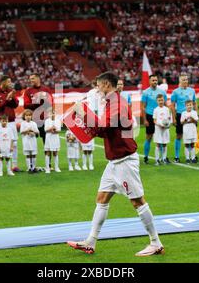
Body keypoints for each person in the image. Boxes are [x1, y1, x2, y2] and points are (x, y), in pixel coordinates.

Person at [67, 71, 164, 257]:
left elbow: (102, 127)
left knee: (137, 201)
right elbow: (103, 131)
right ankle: (91, 241)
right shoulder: (112, 103)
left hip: (124, 161)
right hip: (115, 161)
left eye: (98, 85)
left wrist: (82, 113)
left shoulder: (117, 104)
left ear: (105, 85)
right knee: (101, 199)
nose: (97, 89)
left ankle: (156, 243)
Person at [0, 76, 20, 172]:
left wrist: (12, 98)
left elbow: (15, 105)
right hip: (0, 122)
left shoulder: (10, 90)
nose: (10, 83)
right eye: (8, 82)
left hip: (11, 121)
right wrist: (6, 99)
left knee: (14, 143)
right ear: (3, 82)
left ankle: (14, 165)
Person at [170, 74, 197, 163]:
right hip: (180, 115)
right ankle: (177, 156)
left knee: (192, 136)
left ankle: (192, 156)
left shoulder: (192, 91)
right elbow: (172, 105)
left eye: (186, 79)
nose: (185, 81)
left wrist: (196, 114)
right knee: (179, 135)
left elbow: (194, 103)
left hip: (191, 116)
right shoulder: (175, 92)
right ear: (180, 81)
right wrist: (173, 118)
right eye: (183, 80)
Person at [141, 75, 167, 164]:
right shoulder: (145, 92)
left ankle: (162, 158)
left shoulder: (162, 92)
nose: (155, 82)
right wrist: (144, 120)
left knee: (162, 138)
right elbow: (143, 107)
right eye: (153, 80)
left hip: (161, 117)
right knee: (149, 137)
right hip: (150, 116)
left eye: (156, 80)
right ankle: (146, 157)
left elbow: (166, 105)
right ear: (149, 81)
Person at [23, 73, 53, 144]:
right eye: (30, 79)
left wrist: (44, 100)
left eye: (32, 78)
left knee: (46, 140)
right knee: (31, 139)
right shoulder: (28, 91)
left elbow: (51, 103)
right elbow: (25, 105)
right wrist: (36, 101)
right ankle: (32, 155)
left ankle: (47, 155)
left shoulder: (46, 89)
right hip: (33, 119)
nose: (31, 80)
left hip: (45, 118)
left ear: (38, 78)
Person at [153, 94, 172, 165]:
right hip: (158, 129)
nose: (160, 101)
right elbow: (154, 120)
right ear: (156, 101)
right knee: (158, 144)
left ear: (164, 100)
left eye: (162, 100)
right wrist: (160, 124)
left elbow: (169, 119)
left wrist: (167, 125)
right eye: (159, 100)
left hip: (165, 130)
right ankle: (157, 160)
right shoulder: (156, 110)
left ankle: (164, 159)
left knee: (164, 144)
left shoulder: (167, 109)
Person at [20, 109, 39, 173]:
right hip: (26, 141)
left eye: (29, 115)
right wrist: (27, 130)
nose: (28, 117)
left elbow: (37, 132)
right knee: (28, 154)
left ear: (31, 116)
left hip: (33, 141)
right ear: (24, 116)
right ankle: (29, 168)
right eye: (26, 115)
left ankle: (33, 167)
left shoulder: (34, 123)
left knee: (33, 154)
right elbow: (21, 132)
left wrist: (33, 132)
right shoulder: (23, 123)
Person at [44, 108, 62, 174]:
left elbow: (59, 130)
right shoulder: (46, 121)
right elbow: (46, 129)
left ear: (55, 114)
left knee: (55, 152)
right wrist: (51, 128)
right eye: (50, 113)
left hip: (55, 138)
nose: (52, 114)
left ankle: (56, 167)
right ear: (48, 114)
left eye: (53, 113)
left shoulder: (58, 121)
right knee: (48, 152)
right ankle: (47, 168)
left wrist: (55, 129)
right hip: (48, 138)